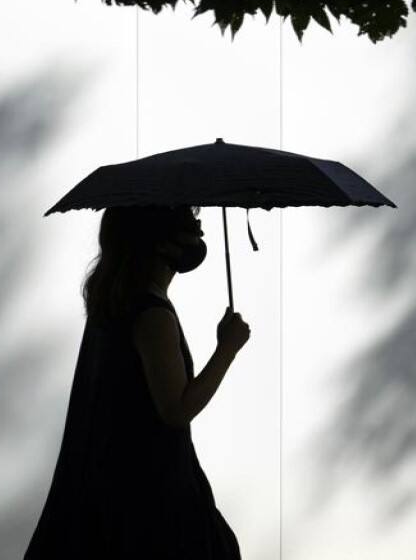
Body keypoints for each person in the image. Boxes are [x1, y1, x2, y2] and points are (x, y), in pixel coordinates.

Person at [24, 204, 250, 558]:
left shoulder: (115, 303)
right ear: (159, 242)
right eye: (187, 223)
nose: (199, 230)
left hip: (115, 487)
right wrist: (227, 349)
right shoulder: (152, 314)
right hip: (153, 494)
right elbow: (176, 409)